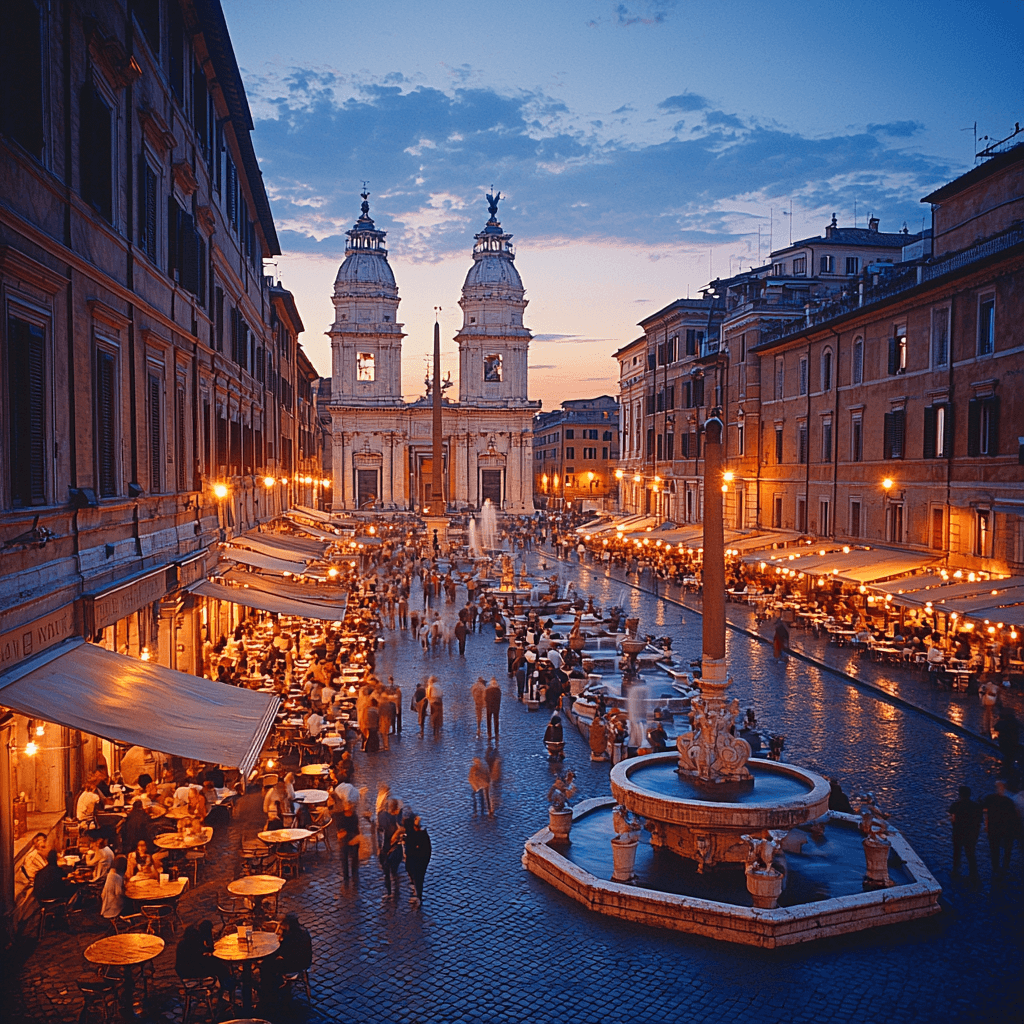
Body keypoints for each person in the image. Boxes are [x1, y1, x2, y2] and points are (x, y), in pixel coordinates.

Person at [260, 913, 313, 1009]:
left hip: (294, 964)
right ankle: (275, 986)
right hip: (305, 962)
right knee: (270, 962)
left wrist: (279, 939)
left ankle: (268, 992)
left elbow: (282, 952)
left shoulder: (289, 936)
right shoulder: (303, 932)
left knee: (266, 965)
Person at [176, 919, 231, 990]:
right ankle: (227, 988)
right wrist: (209, 939)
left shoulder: (192, 937)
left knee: (217, 964)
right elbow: (210, 949)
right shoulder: (197, 939)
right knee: (221, 967)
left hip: (183, 969)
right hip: (190, 970)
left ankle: (225, 987)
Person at [981, 780, 1017, 877]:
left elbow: (985, 812)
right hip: (1004, 829)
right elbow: (1014, 816)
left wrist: (986, 824)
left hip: (995, 828)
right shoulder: (1009, 801)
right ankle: (1003, 867)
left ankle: (997, 867)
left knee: (995, 849)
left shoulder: (990, 798)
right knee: (1005, 849)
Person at [948, 784, 983, 879]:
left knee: (957, 852)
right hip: (971, 834)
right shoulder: (976, 806)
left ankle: (955, 870)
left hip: (958, 832)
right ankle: (973, 873)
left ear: (960, 794)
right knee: (971, 853)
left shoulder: (956, 805)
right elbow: (980, 821)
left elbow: (952, 818)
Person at [403, 815, 431, 903]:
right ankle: (417, 892)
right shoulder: (420, 834)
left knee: (419, 878)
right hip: (418, 860)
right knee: (416, 876)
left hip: (418, 860)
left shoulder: (419, 835)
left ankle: (419, 896)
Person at [379, 819, 406, 896]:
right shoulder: (396, 829)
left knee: (389, 872)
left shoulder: (395, 830)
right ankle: (392, 889)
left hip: (391, 852)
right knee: (392, 871)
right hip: (390, 852)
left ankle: (390, 890)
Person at [100, 856, 127, 923]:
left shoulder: (111, 873)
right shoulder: (116, 876)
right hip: (113, 902)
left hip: (106, 897)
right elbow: (118, 892)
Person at [484, 676, 502, 741]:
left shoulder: (487, 690)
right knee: (496, 720)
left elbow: (485, 699)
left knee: (488, 721)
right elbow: (499, 699)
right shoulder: (498, 690)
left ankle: (489, 734)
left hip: (489, 707)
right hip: (496, 708)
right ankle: (496, 733)